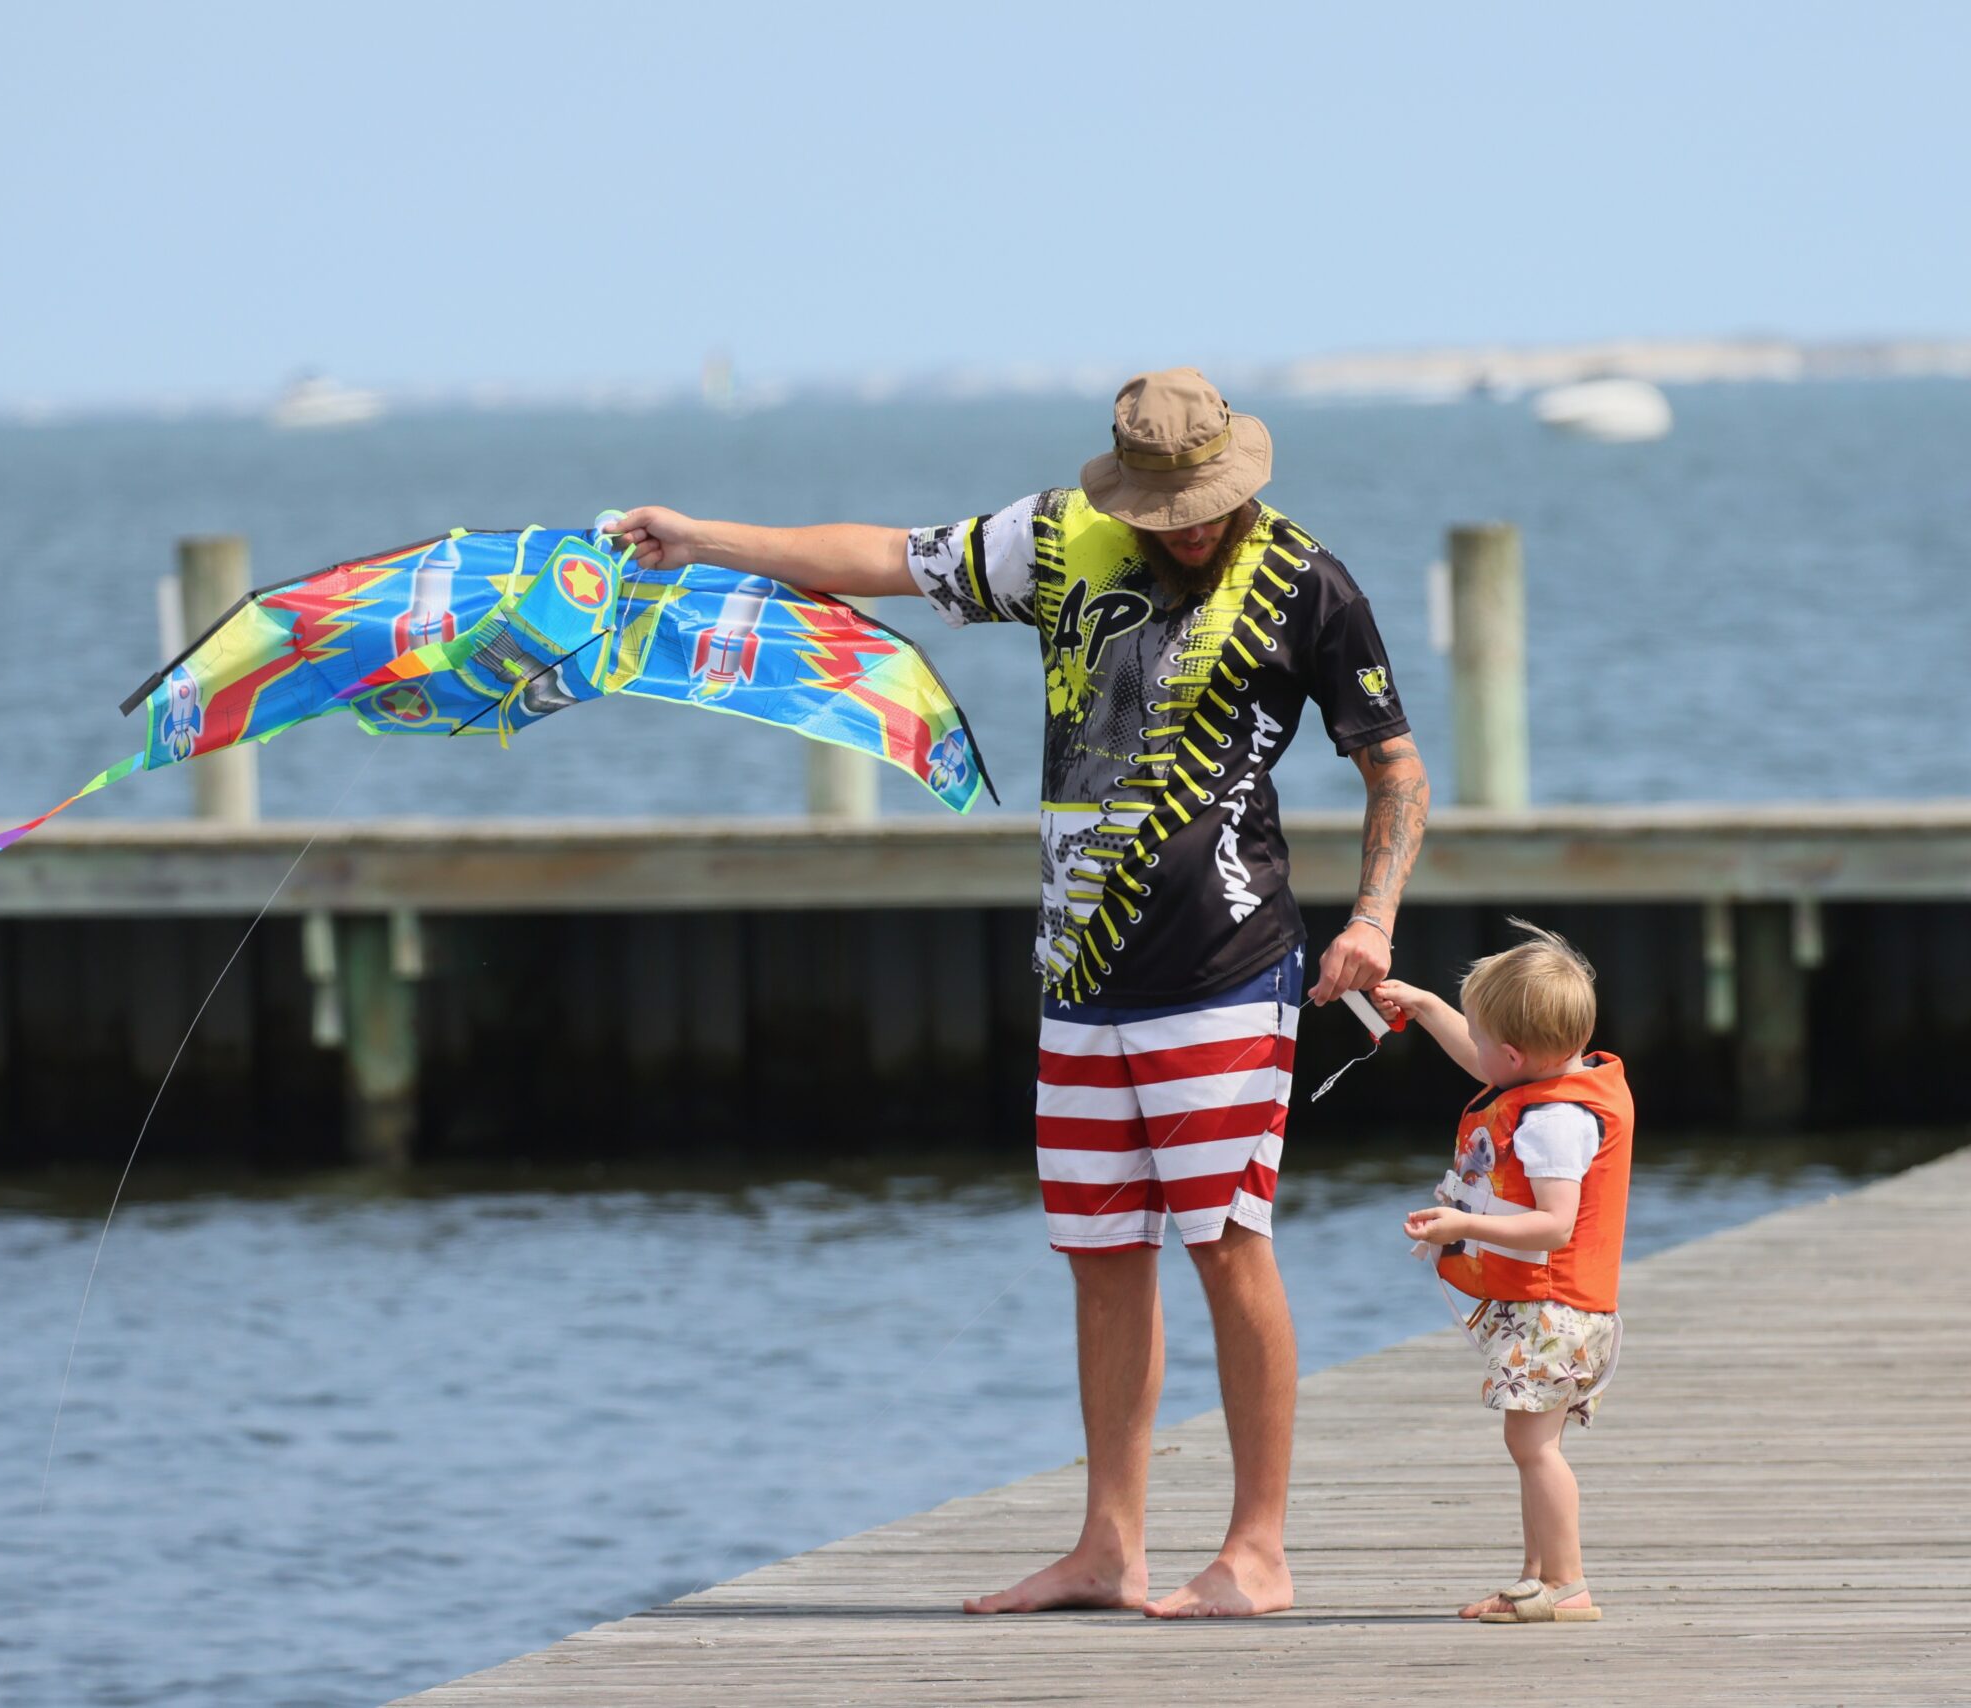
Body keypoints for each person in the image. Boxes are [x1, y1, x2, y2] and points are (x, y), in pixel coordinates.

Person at [611, 367, 1429, 1618]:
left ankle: (1257, 1550)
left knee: (1225, 1241)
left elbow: (1396, 771)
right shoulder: (1053, 540)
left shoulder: (1306, 584)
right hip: (1079, 975)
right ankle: (1109, 1547)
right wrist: (701, 537)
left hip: (1225, 972)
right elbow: (882, 556)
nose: (1187, 527)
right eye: (1164, 509)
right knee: (1100, 1255)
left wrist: (1371, 919)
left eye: (1203, 504)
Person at [1372, 920, 1634, 1623]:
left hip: (1559, 1310)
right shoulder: (1550, 1079)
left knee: (1532, 1444)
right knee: (1528, 1440)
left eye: (1482, 1038)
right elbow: (1491, 1063)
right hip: (1552, 1310)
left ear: (1515, 1054)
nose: (1475, 1048)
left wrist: (1466, 1225)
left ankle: (1569, 1586)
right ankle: (1536, 1578)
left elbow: (1554, 1225)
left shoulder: (1555, 1122)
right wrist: (1426, 1006)